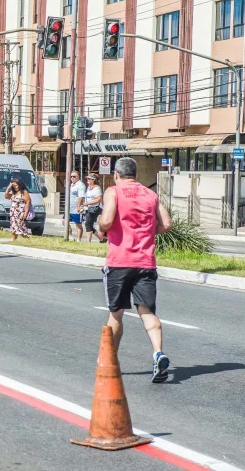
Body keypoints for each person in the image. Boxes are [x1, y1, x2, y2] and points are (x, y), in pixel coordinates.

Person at [98, 157, 173, 383]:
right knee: (147, 312)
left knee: (116, 313)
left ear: (117, 174)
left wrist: (101, 227)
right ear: (135, 174)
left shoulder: (114, 191)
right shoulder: (150, 195)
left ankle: (111, 362)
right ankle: (158, 353)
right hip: (145, 262)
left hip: (120, 262)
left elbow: (108, 219)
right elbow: (167, 224)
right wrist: (148, 232)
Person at [5, 176, 31, 241]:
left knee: (21, 227)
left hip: (20, 212)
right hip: (13, 213)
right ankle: (14, 240)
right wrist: (8, 187)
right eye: (13, 186)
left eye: (16, 185)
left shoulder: (24, 192)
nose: (15, 187)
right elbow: (6, 196)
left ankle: (27, 239)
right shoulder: (13, 193)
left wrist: (26, 213)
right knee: (14, 227)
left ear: (19, 185)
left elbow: (28, 202)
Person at [82, 174, 106, 243]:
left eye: (89, 179)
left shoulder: (97, 188)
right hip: (88, 208)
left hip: (95, 208)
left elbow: (98, 199)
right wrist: (84, 206)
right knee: (89, 225)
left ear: (93, 180)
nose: (88, 180)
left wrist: (87, 203)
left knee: (88, 224)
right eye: (87, 179)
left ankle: (88, 242)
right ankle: (101, 239)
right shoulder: (88, 187)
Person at [69, 171, 86, 242]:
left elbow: (81, 197)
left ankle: (79, 239)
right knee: (64, 221)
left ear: (78, 177)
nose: (72, 178)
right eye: (71, 176)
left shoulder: (80, 185)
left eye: (74, 176)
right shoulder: (72, 185)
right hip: (69, 208)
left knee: (78, 224)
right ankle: (70, 236)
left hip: (76, 209)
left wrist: (79, 207)